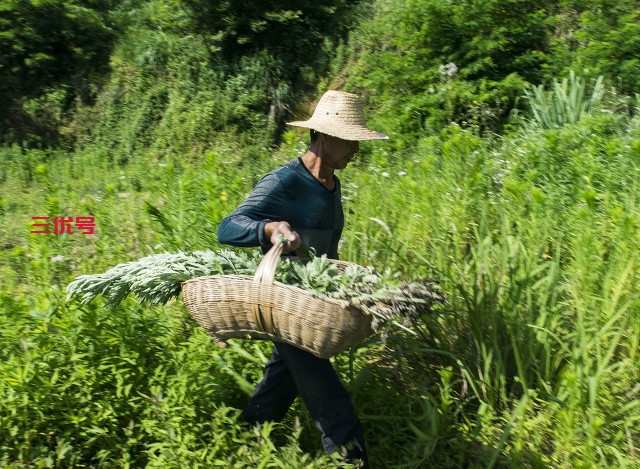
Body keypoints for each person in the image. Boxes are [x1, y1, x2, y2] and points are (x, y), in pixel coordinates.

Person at [217, 90, 388, 468]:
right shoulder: (284, 181)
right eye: (350, 141)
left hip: (313, 305)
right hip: (285, 303)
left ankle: (245, 441)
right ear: (325, 137)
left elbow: (327, 250)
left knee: (282, 380)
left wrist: (345, 289)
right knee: (330, 398)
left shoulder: (332, 185)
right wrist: (270, 227)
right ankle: (352, 460)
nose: (356, 151)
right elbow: (228, 226)